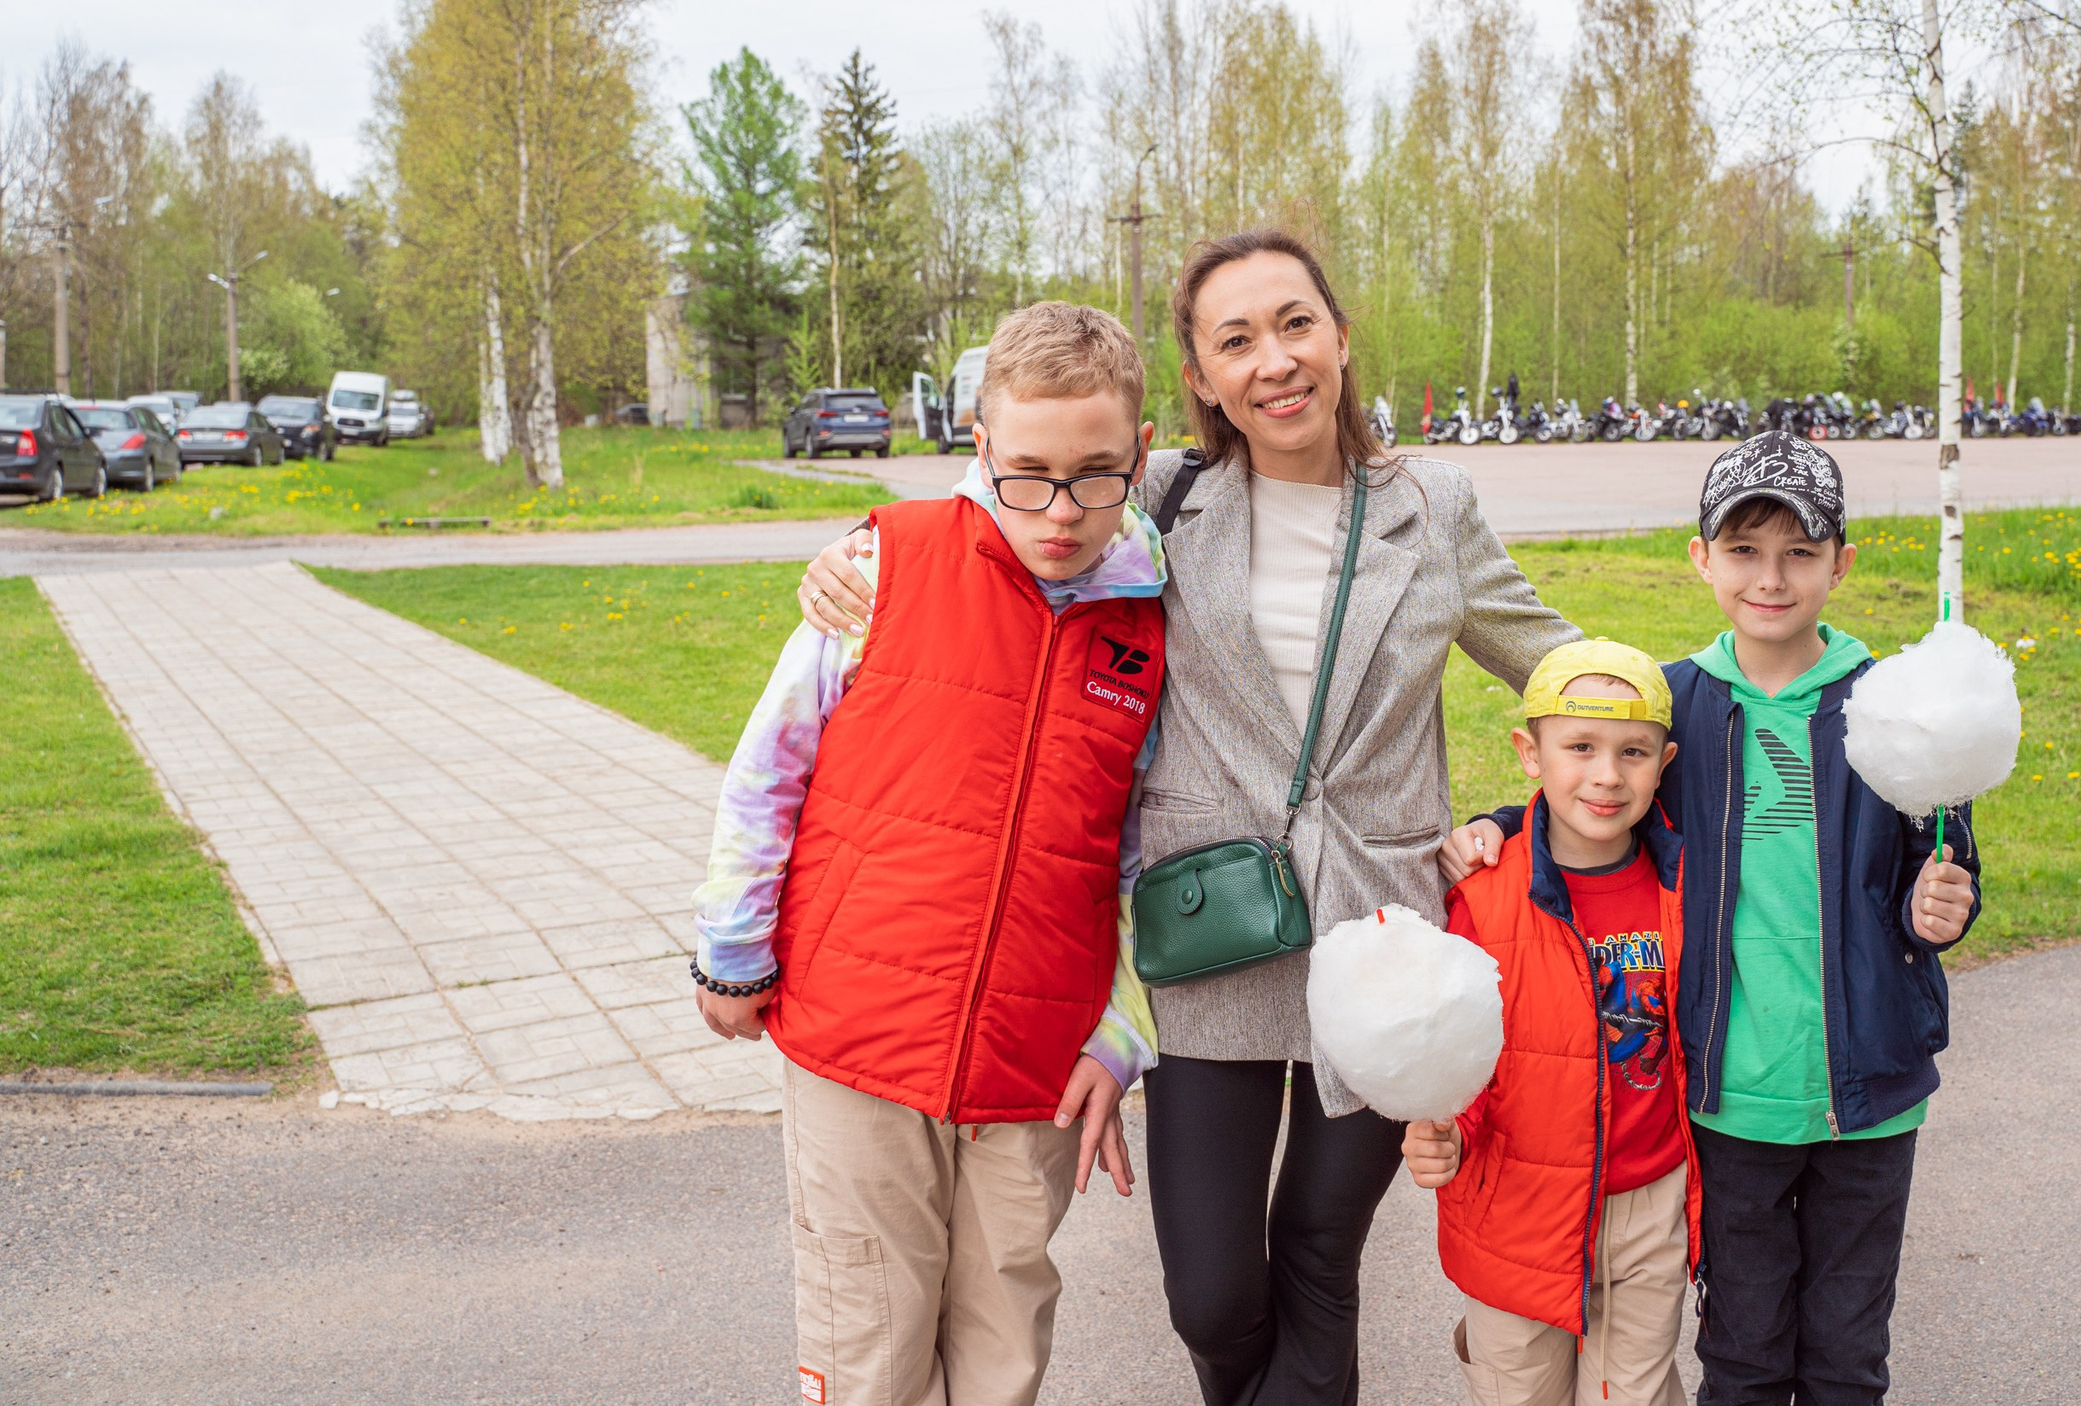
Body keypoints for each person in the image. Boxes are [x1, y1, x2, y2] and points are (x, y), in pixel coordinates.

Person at [796, 230, 1578, 1405]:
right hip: (1216, 934)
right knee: (1210, 1293)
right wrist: (856, 559)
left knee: (1319, 1252)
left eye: (1294, 323)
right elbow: (1023, 478)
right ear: (1202, 381)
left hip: (1381, 945)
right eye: (1235, 341)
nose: (1275, 359)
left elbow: (1557, 665)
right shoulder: (1164, 499)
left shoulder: (1435, 505)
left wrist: (1681, 708)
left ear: (1341, 335)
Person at [1443, 431, 1983, 1406]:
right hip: (1728, 1101)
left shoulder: (1895, 706)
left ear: (1841, 563)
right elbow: (1590, 800)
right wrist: (1492, 826)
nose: (1769, 578)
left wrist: (1942, 907)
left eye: (1798, 553)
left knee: (1847, 1361)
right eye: (1743, 550)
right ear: (1700, 558)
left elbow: (1939, 871)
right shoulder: (1679, 703)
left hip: (1869, 1095)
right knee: (1741, 1356)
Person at [691, 301, 1167, 1406]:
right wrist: (732, 948)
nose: (1059, 512)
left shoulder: (1149, 622)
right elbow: (770, 770)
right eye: (1028, 473)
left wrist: (1119, 1035)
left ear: (1140, 454)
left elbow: (1143, 857)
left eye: (1095, 475)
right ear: (978, 442)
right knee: (871, 1344)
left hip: (1033, 1064)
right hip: (860, 1036)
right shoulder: (882, 569)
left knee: (1005, 1342)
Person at [1403, 640, 1696, 1406]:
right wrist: (1450, 1130)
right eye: (1580, 748)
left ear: (1663, 761)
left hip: (1647, 1199)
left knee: (1634, 1394)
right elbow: (1456, 1047)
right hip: (1516, 1206)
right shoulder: (1483, 894)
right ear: (1529, 753)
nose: (1606, 774)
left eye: (1632, 751)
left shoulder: (1687, 885)